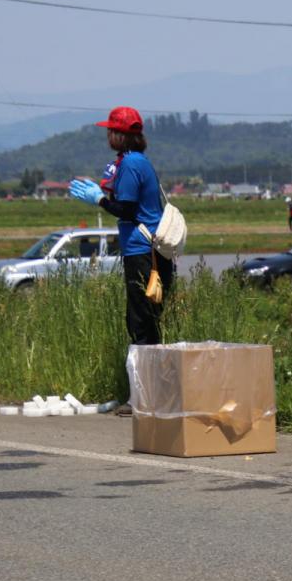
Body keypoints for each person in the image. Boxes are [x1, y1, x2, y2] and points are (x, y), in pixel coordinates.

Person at [70, 106, 174, 402]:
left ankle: (143, 397)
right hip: (152, 252)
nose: (107, 136)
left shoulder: (129, 164)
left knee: (141, 322)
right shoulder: (140, 162)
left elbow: (126, 209)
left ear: (119, 135)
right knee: (148, 320)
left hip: (142, 253)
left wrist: (99, 199)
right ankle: (149, 393)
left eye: (110, 131)